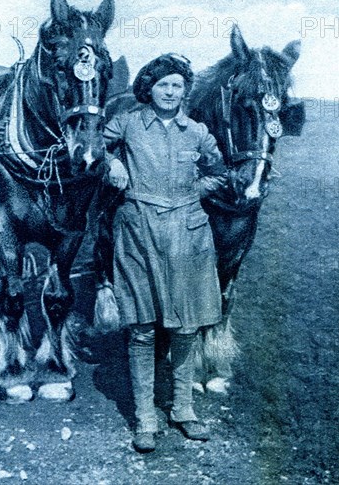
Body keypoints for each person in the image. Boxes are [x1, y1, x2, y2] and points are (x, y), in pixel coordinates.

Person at [103, 53, 227, 453]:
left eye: (177, 86)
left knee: (187, 326)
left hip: (188, 235)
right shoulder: (126, 123)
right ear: (148, 88)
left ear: (184, 91)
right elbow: (88, 147)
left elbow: (219, 172)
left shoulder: (197, 132)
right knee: (141, 327)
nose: (171, 92)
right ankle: (145, 417)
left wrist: (194, 195)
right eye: (163, 85)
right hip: (138, 230)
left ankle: (183, 409)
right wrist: (111, 163)